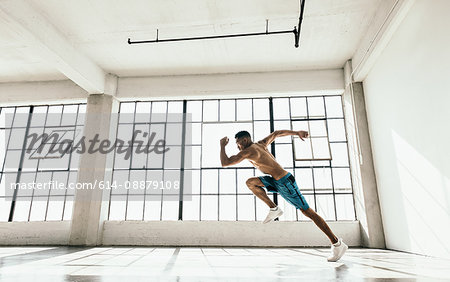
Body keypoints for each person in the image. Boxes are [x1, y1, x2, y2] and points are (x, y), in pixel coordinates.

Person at [220, 130, 347, 262]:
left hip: (285, 183)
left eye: (238, 143)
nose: (237, 147)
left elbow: (226, 162)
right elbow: (276, 133)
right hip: (276, 181)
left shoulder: (248, 151)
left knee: (307, 212)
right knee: (251, 182)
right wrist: (296, 133)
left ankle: (337, 244)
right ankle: (273, 208)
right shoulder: (261, 144)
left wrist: (222, 146)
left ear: (245, 140)